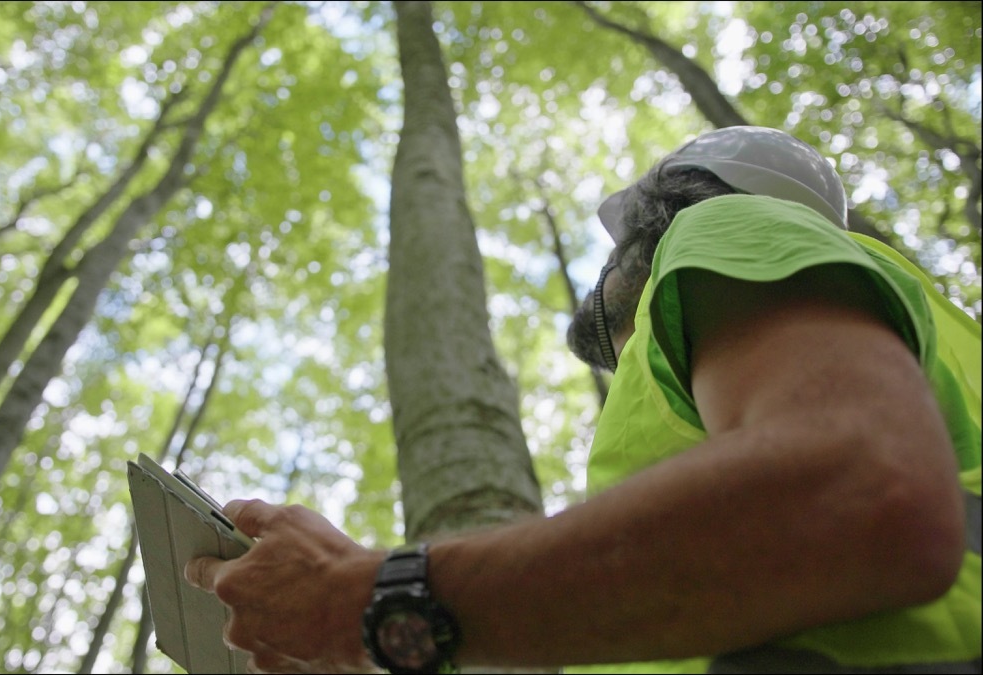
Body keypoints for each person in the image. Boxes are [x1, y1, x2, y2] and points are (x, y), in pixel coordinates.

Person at [185, 126, 982, 674]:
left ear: (662, 212)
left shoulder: (725, 227)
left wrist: (369, 597)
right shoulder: (914, 322)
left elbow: (862, 492)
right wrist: (362, 640)